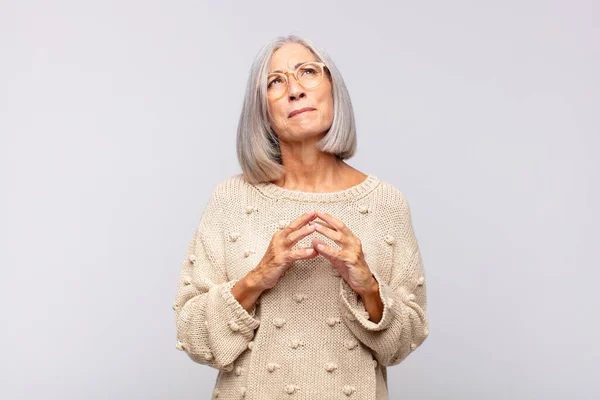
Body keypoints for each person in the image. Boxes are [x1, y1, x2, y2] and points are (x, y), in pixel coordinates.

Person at [172, 34, 429, 400]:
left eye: (307, 72)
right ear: (261, 111)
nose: (294, 90)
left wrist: (367, 285)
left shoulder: (386, 203)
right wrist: (258, 277)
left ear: (333, 89)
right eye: (275, 82)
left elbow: (405, 341)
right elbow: (191, 333)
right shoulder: (230, 199)